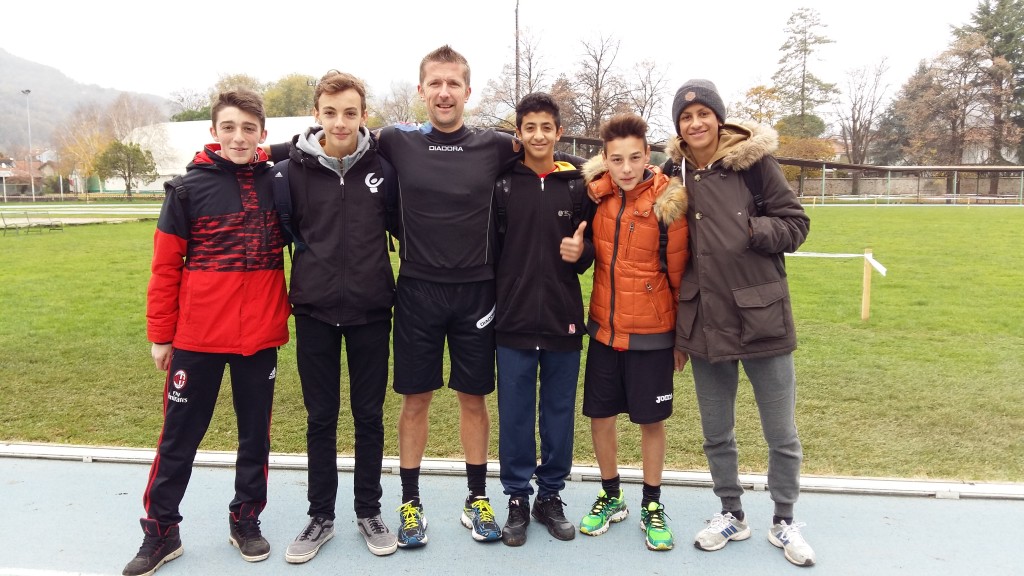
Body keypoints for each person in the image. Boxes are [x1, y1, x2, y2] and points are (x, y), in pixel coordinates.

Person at [122, 89, 290, 576]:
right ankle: (160, 532)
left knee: (254, 436)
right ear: (213, 132)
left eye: (249, 128)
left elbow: (307, 145)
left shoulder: (277, 181)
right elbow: (164, 268)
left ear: (263, 134)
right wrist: (161, 336)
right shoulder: (186, 190)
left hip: (260, 337)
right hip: (197, 339)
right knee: (179, 438)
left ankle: (246, 520)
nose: (239, 137)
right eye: (230, 127)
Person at [375, 44, 526, 547]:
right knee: (415, 399)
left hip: (478, 293)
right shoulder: (395, 141)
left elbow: (554, 154)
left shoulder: (496, 146)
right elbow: (332, 143)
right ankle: (411, 504)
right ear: (421, 90)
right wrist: (263, 157)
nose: (444, 92)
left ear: (468, 91)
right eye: (434, 83)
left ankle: (476, 498)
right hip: (417, 291)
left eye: (453, 84)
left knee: (473, 398)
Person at [663, 79, 815, 567]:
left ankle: (784, 519)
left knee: (780, 431)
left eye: (703, 114)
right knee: (716, 431)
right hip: (703, 319)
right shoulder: (672, 172)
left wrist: (751, 229)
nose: (696, 123)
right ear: (679, 128)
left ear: (720, 119)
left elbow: (796, 225)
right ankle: (731, 512)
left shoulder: (755, 165)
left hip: (762, 315)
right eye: (686, 118)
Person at [267, 70, 399, 562]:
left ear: (364, 116)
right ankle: (320, 515)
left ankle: (369, 510)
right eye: (330, 112)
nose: (340, 122)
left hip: (370, 311)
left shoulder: (385, 169)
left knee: (368, 416)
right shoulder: (290, 171)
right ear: (316, 115)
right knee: (320, 417)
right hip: (315, 312)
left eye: (350, 113)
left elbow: (403, 229)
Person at [577, 113, 689, 552]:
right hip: (604, 331)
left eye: (635, 158)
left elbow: (680, 277)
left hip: (654, 335)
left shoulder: (668, 204)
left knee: (650, 421)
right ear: (604, 158)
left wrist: (681, 339)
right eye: (617, 159)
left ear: (649, 156)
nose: (626, 168)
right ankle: (611, 495)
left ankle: (652, 503)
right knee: (600, 417)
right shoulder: (597, 197)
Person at [492, 92, 595, 547]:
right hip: (512, 321)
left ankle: (550, 496)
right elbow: (491, 250)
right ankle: (516, 497)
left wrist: (581, 253)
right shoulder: (502, 183)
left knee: (557, 414)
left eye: (546, 127)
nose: (537, 135)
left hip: (563, 321)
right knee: (515, 416)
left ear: (558, 132)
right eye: (529, 127)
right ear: (519, 133)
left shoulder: (576, 186)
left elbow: (591, 249)